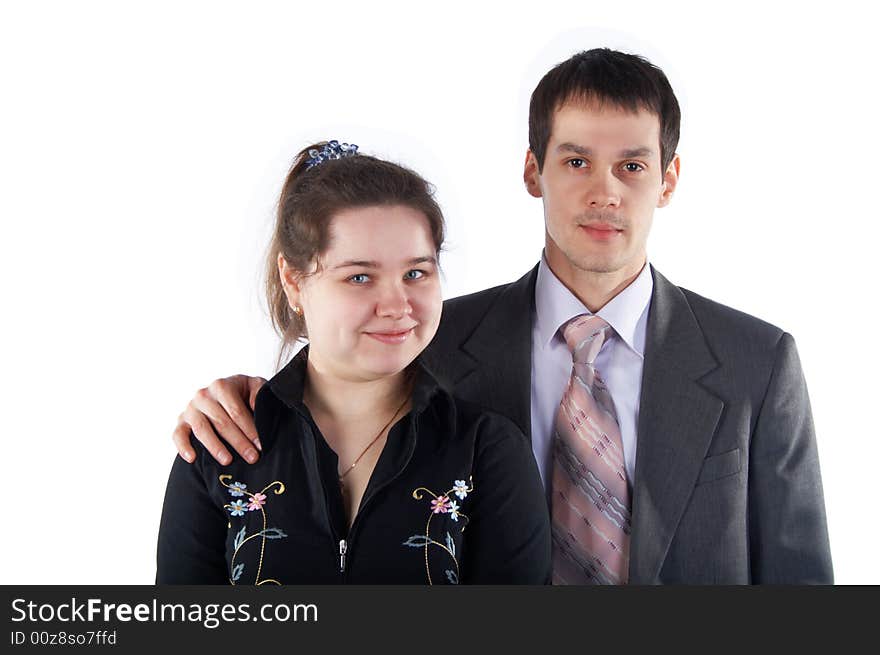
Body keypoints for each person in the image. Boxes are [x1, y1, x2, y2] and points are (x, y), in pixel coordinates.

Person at [171, 50, 833, 584]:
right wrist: (232, 398)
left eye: (633, 165)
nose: (605, 190)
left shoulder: (759, 363)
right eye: (576, 160)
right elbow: (332, 385)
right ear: (532, 170)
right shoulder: (426, 340)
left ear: (669, 178)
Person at [156, 141, 551, 584]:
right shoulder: (221, 446)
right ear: (294, 281)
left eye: (415, 273)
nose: (396, 305)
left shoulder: (486, 450)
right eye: (359, 277)